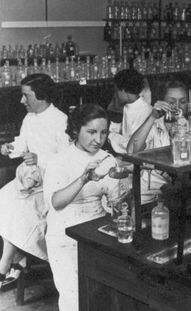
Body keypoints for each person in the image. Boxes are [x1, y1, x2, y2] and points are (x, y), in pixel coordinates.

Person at [44, 104, 121, 311]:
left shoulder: (107, 159)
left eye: (103, 132)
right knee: (75, 298)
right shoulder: (60, 161)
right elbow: (56, 203)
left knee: (104, 294)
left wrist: (123, 185)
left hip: (96, 232)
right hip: (64, 236)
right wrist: (83, 178)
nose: (98, 139)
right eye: (91, 132)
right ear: (76, 129)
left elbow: (117, 203)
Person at [0, 73, 69, 288]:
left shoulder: (61, 120)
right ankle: (16, 258)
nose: (22, 101)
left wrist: (41, 159)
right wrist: (11, 148)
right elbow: (22, 143)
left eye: (26, 96)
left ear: (41, 96)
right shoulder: (29, 118)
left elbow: (66, 158)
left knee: (19, 211)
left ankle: (6, 264)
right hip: (30, 179)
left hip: (52, 183)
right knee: (3, 198)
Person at [108, 69, 153, 154]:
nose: (116, 94)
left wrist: (111, 136)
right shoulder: (129, 106)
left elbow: (133, 146)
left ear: (124, 90)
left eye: (117, 90)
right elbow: (127, 130)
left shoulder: (144, 111)